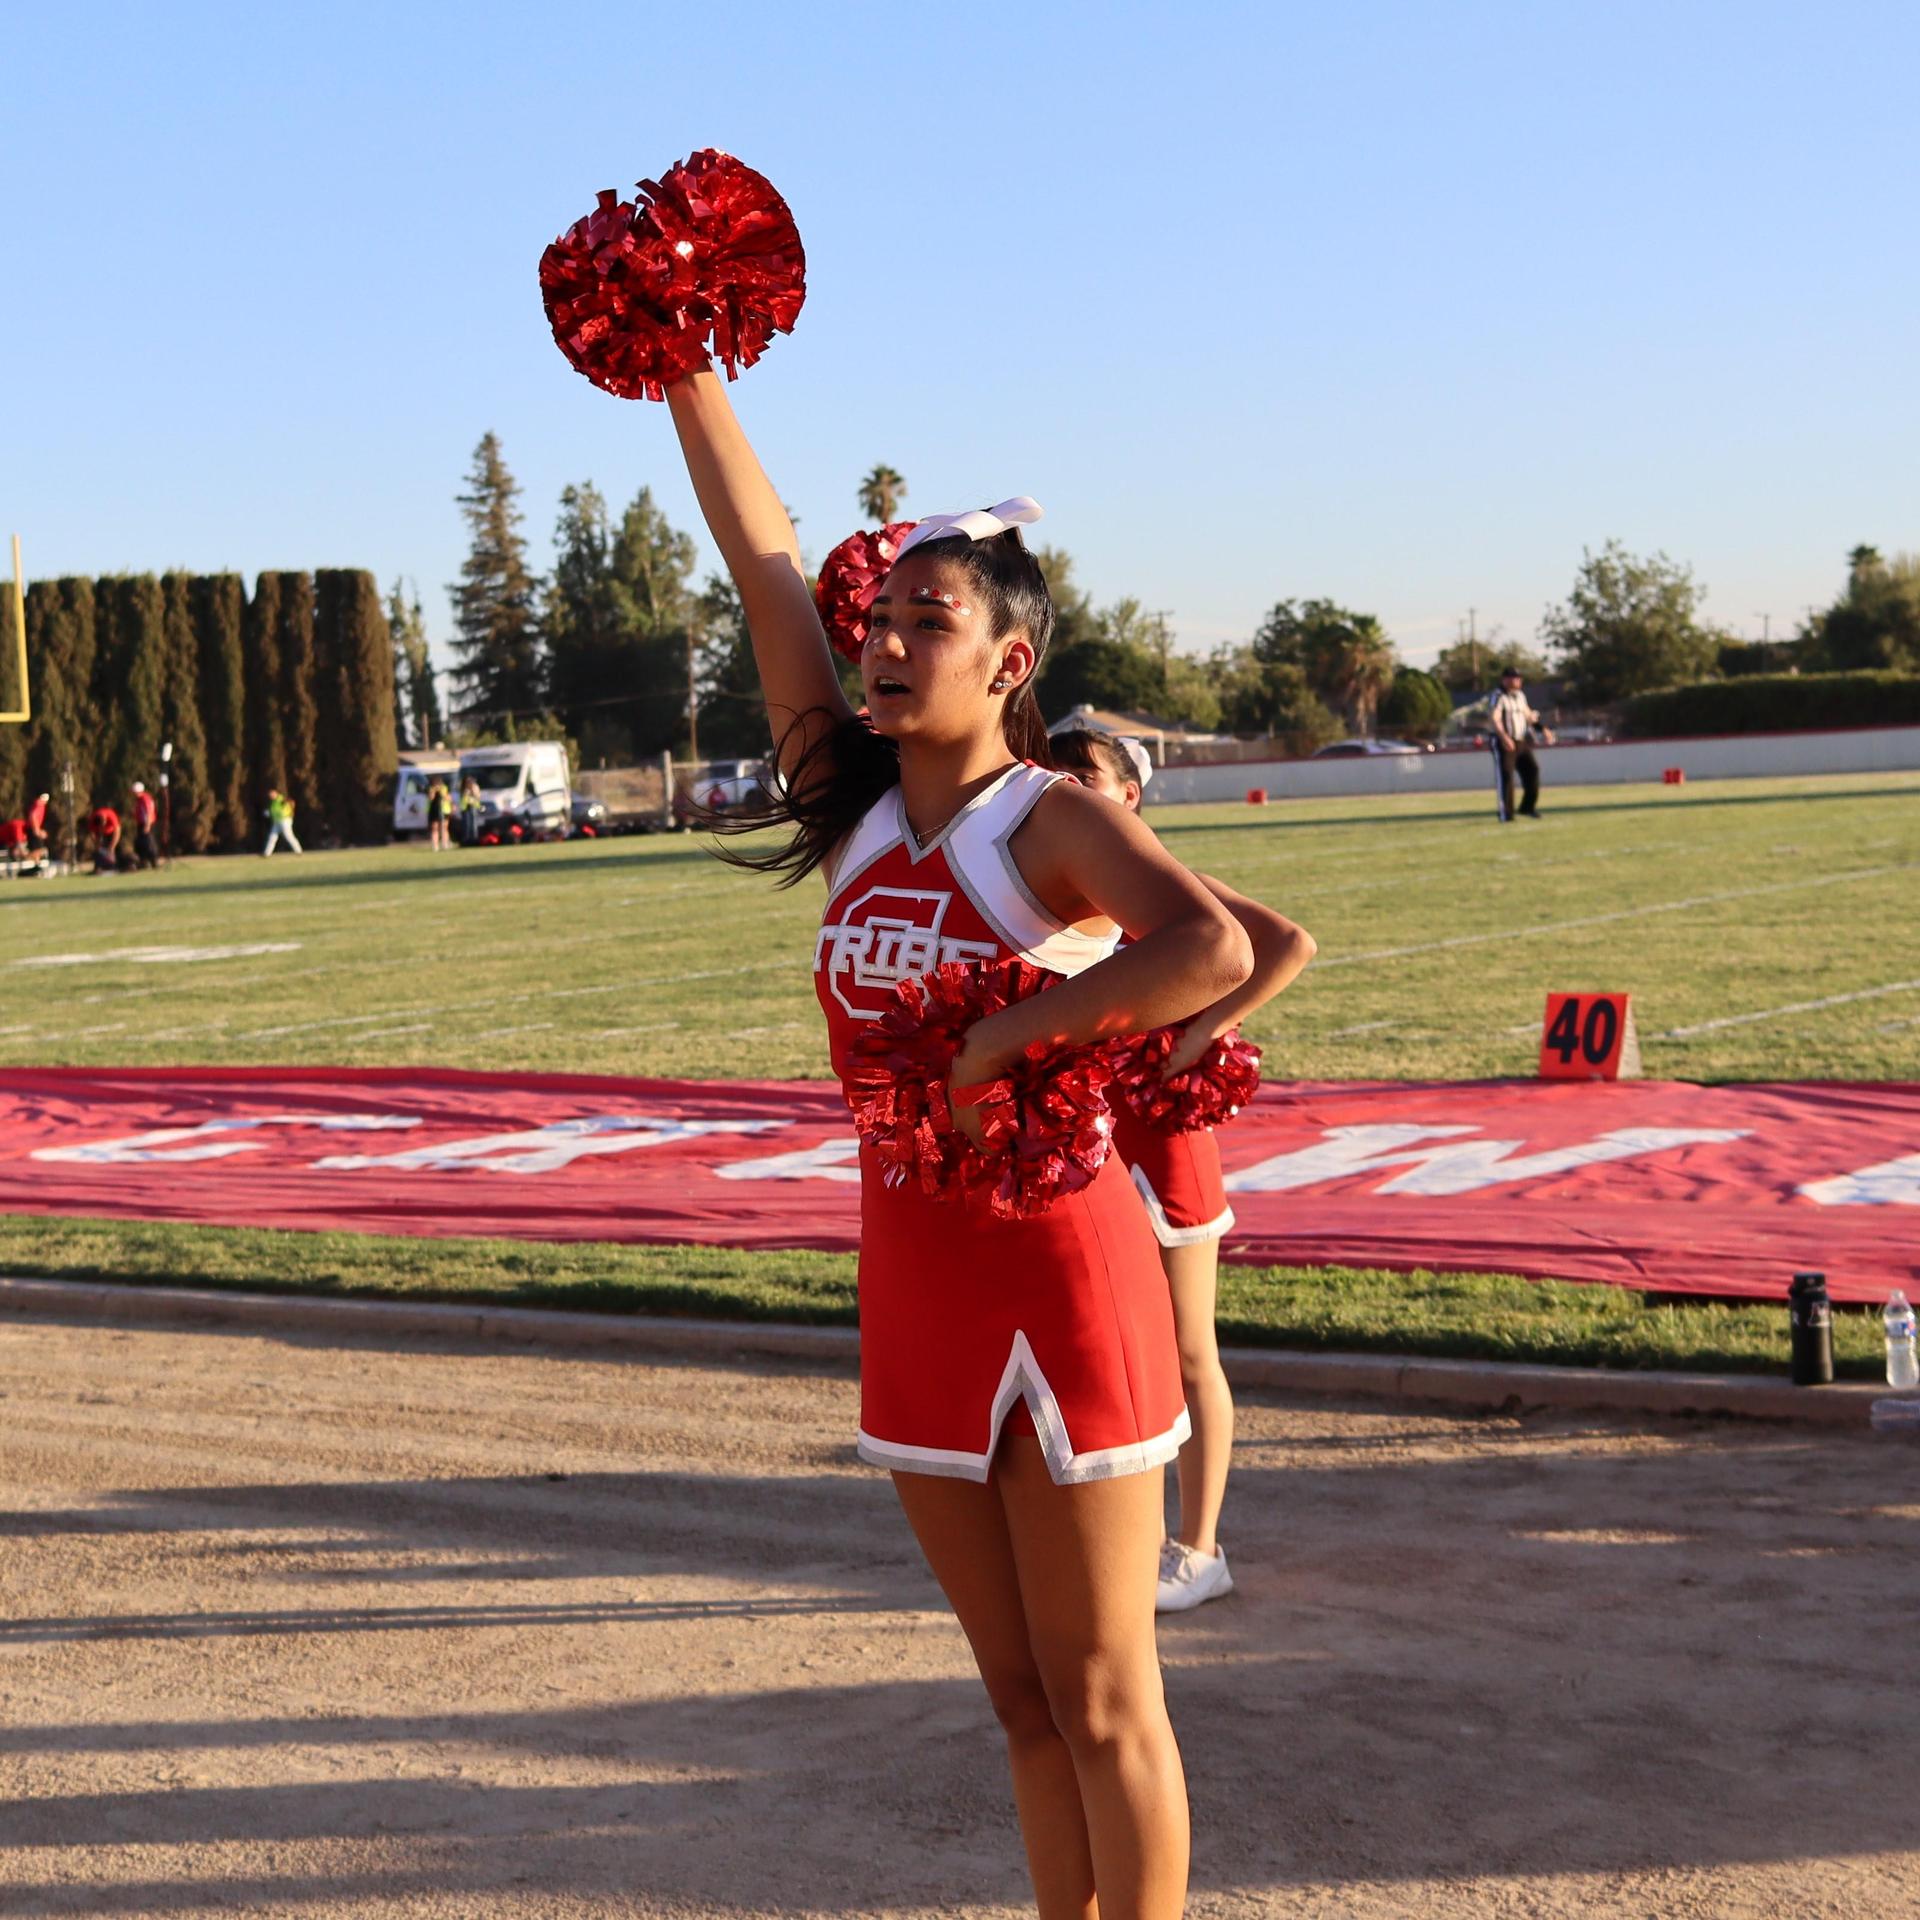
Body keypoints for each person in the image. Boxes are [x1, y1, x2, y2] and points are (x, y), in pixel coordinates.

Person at [666, 361, 1254, 1919]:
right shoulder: (852, 811)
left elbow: (1209, 946)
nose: (885, 641)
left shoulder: (1045, 818)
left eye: (930, 621)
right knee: (1020, 1707)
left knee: (1109, 1694)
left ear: (1010, 661)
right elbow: (763, 559)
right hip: (916, 1281)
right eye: (883, 619)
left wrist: (1009, 1035)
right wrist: (682, 363)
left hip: (1063, 1279)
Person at [1048, 728, 1316, 1612]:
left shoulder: (1161, 889)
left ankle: (1198, 1548)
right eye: (1055, 776)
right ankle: (1106, 1536)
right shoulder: (1052, 890)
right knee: (1096, 1344)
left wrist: (1203, 1030)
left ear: (1129, 796)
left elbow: (1285, 944)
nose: (1067, 788)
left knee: (1187, 1348)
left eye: (1084, 776)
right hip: (1079, 1142)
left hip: (1158, 1148)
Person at [1488, 665, 1555, 821]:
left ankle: (1527, 807)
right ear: (1504, 680)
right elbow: (1495, 718)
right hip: (1503, 741)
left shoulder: (1519, 696)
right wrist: (1504, 737)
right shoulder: (1499, 696)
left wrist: (1543, 728)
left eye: (1518, 678)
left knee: (1532, 770)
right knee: (1506, 776)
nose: (1515, 681)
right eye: (1512, 678)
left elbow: (1528, 715)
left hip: (1520, 740)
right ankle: (1506, 813)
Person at [262, 788, 302, 856]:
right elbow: (274, 811)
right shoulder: (273, 802)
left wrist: (270, 813)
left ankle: (298, 851)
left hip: (285, 821)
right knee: (272, 837)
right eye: (270, 795)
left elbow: (285, 810)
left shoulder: (282, 800)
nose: (271, 796)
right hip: (277, 822)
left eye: (272, 794)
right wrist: (269, 813)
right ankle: (267, 853)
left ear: (276, 793)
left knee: (289, 836)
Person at [130, 781, 161, 868]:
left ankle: (154, 862)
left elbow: (149, 812)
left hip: (147, 824)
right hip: (141, 824)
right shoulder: (139, 800)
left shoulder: (145, 799)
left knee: (149, 844)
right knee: (140, 844)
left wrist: (147, 825)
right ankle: (143, 862)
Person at [87, 802, 121, 873]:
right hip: (100, 834)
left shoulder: (111, 815)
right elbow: (91, 833)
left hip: (112, 832)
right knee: (99, 851)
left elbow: (117, 832)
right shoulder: (93, 818)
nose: (102, 827)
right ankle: (98, 867)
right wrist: (96, 843)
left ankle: (115, 865)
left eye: (103, 825)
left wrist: (112, 846)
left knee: (112, 849)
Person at [426, 774, 452, 851]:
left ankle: (445, 843)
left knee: (444, 827)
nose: (437, 784)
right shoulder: (430, 789)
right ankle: (435, 845)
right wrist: (434, 790)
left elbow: (449, 798)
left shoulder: (445, 788)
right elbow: (430, 798)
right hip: (434, 810)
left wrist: (441, 792)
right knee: (435, 828)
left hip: (444, 810)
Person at [458, 774, 483, 847]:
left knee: (473, 824)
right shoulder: (463, 788)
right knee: (466, 824)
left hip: (473, 806)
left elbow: (478, 796)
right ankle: (466, 840)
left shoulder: (475, 787)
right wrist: (466, 792)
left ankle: (474, 840)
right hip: (465, 807)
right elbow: (463, 799)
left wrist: (472, 791)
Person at [25, 791, 50, 861]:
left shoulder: (37, 804)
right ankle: (24, 859)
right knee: (39, 851)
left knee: (37, 852)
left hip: (32, 829)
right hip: (33, 829)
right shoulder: (38, 804)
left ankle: (35, 866)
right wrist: (37, 830)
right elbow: (33, 816)